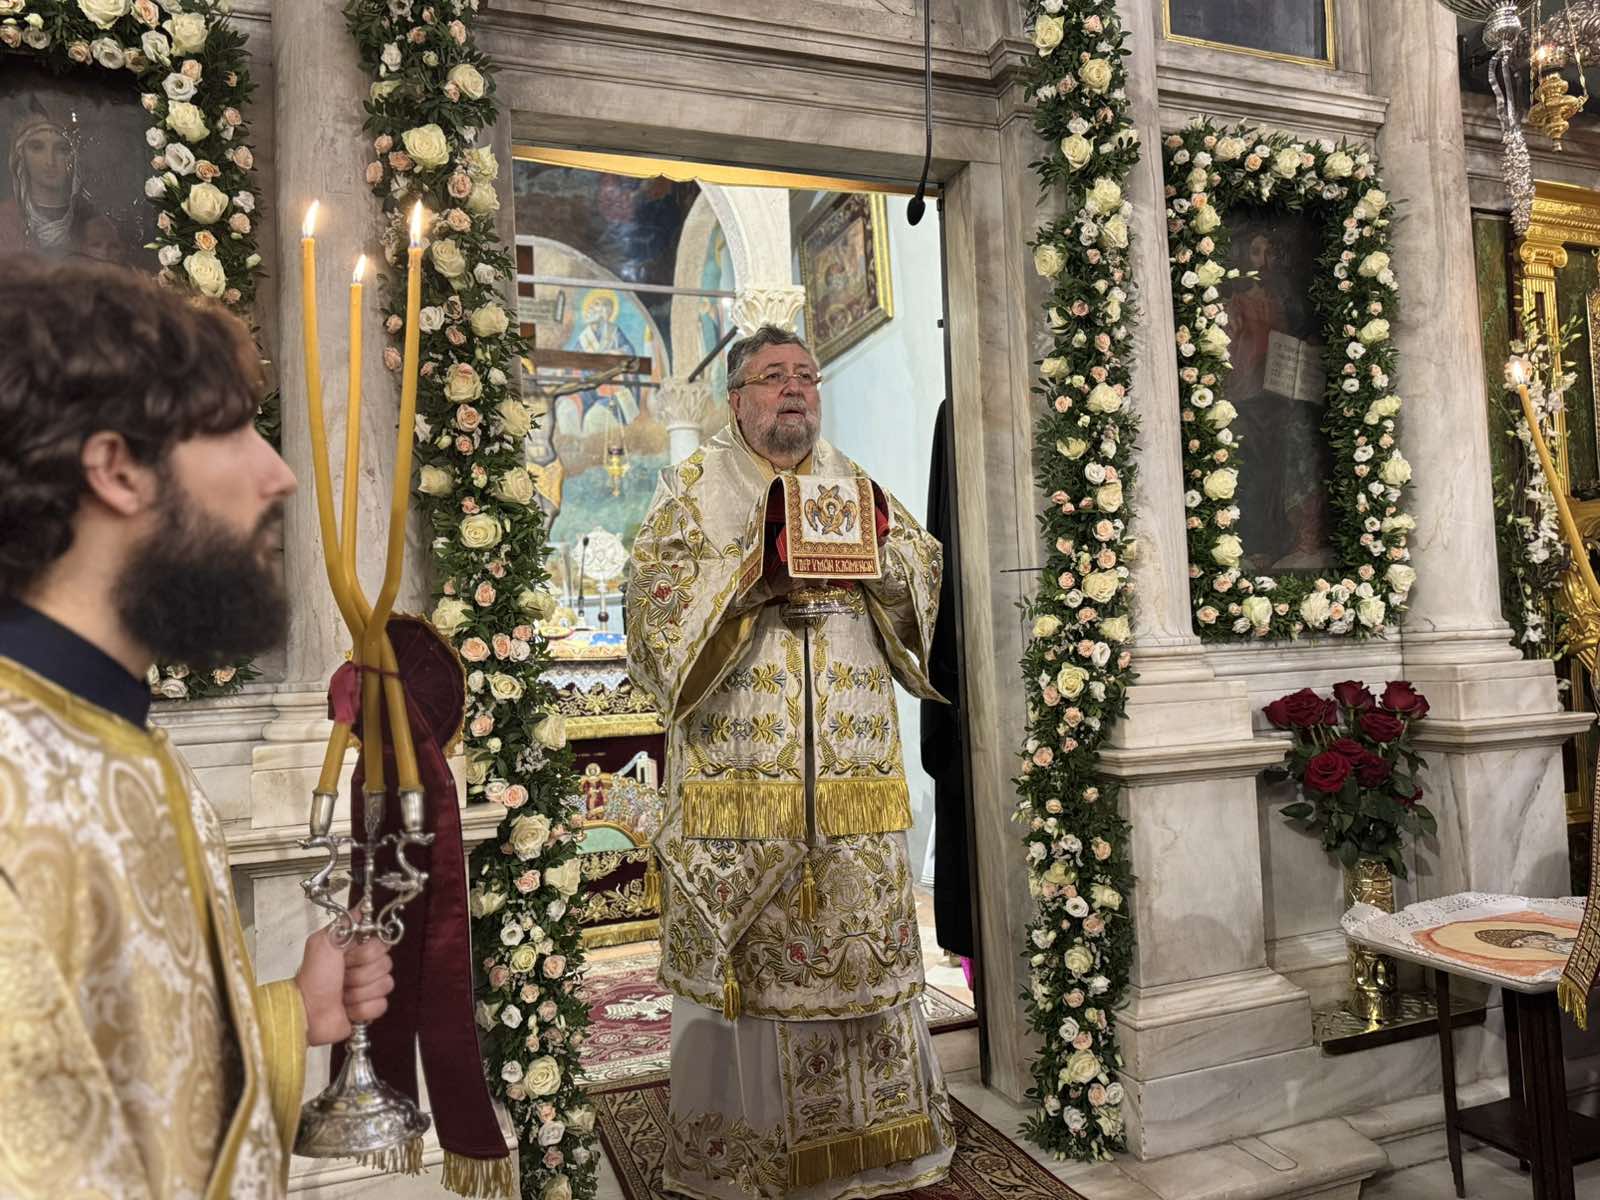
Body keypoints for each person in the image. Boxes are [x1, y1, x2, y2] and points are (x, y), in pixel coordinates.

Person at [0, 255, 394, 1197]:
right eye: (234, 430)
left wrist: (291, 1015)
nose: (279, 476)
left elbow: (114, 1077)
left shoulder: (117, 738)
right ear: (116, 469)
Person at [625, 324, 954, 1199]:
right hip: (740, 790)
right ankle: (745, 1157)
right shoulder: (694, 491)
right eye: (773, 376)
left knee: (857, 955)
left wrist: (882, 559)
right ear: (737, 399)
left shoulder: (854, 486)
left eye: (806, 375)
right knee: (752, 972)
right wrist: (753, 581)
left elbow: (923, 575)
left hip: (851, 788)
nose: (795, 389)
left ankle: (877, 1143)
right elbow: (652, 609)